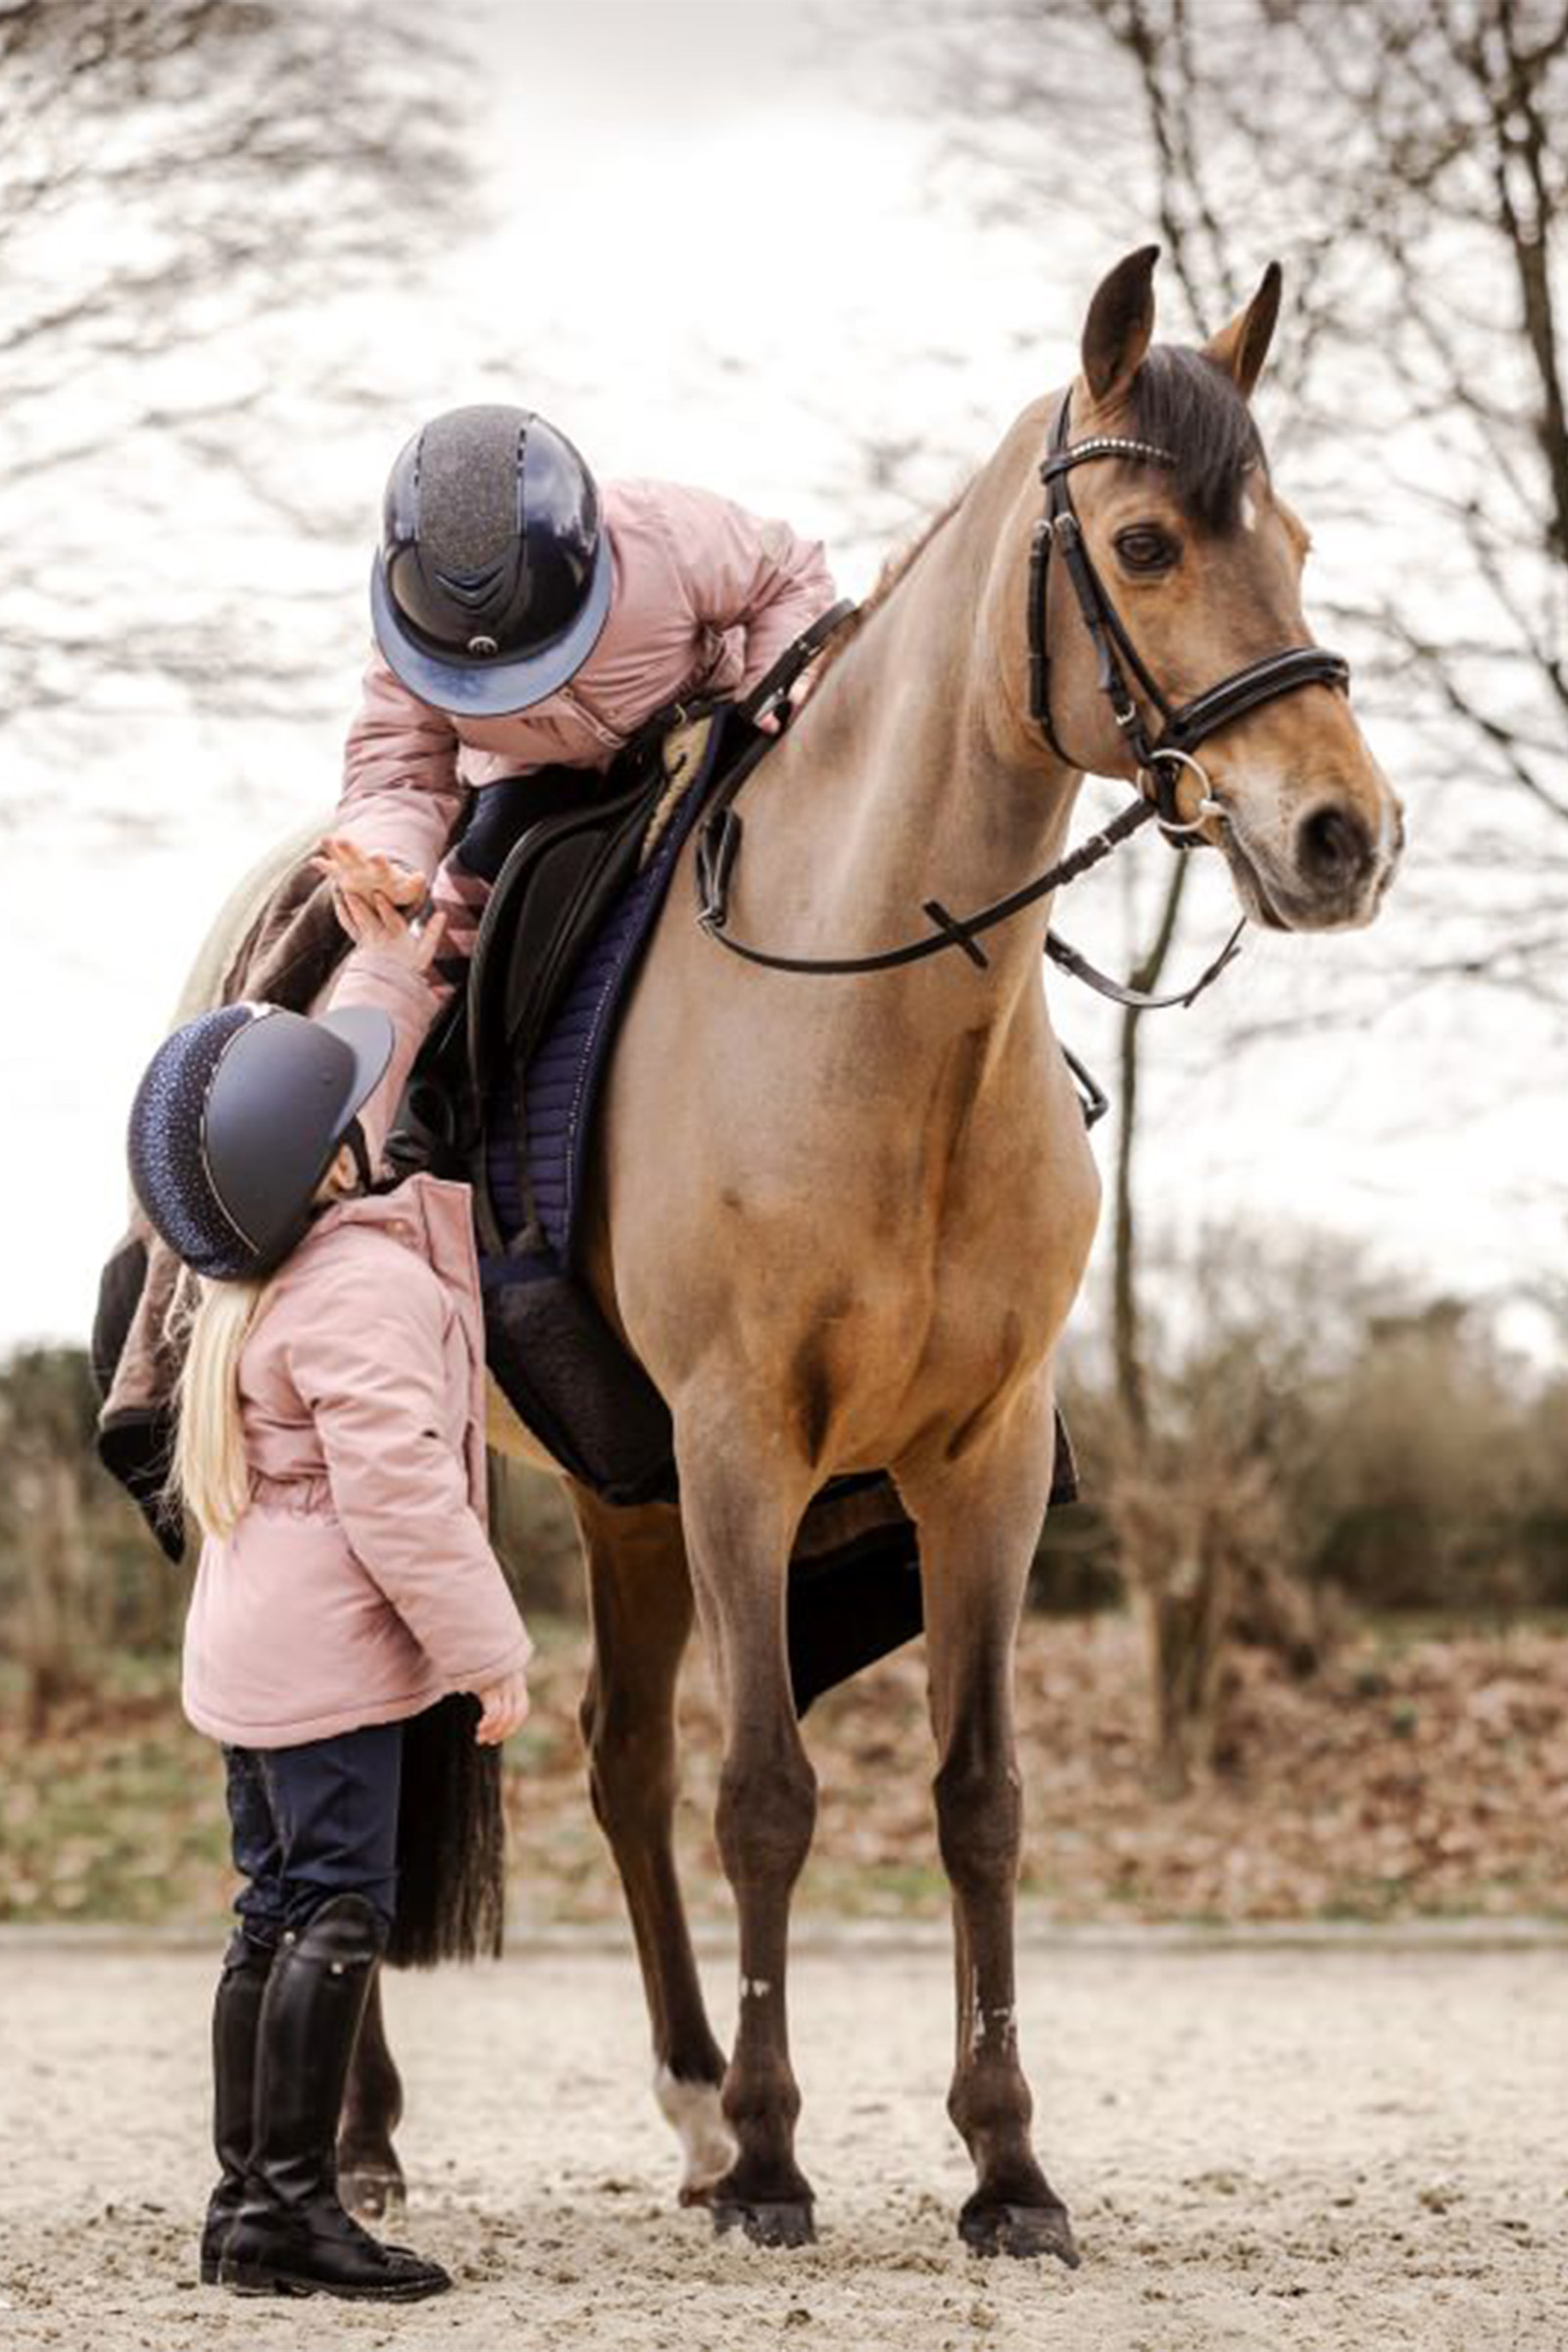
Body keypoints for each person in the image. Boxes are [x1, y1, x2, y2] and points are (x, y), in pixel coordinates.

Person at [125, 860, 533, 2302]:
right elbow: (404, 1497)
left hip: (260, 1648)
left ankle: (248, 2204)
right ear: (334, 1164)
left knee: (272, 1911)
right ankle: (296, 2208)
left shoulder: (263, 1268)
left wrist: (402, 962)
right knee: (339, 1910)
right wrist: (489, 1654)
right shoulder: (361, 1289)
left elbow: (343, 1080)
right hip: (337, 1661)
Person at [317, 402, 838, 1003]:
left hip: (702, 722)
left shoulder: (661, 531)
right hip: (532, 779)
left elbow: (786, 573)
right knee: (435, 936)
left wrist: (770, 691)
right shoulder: (404, 642)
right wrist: (391, 862)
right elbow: (397, 766)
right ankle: (374, 1060)